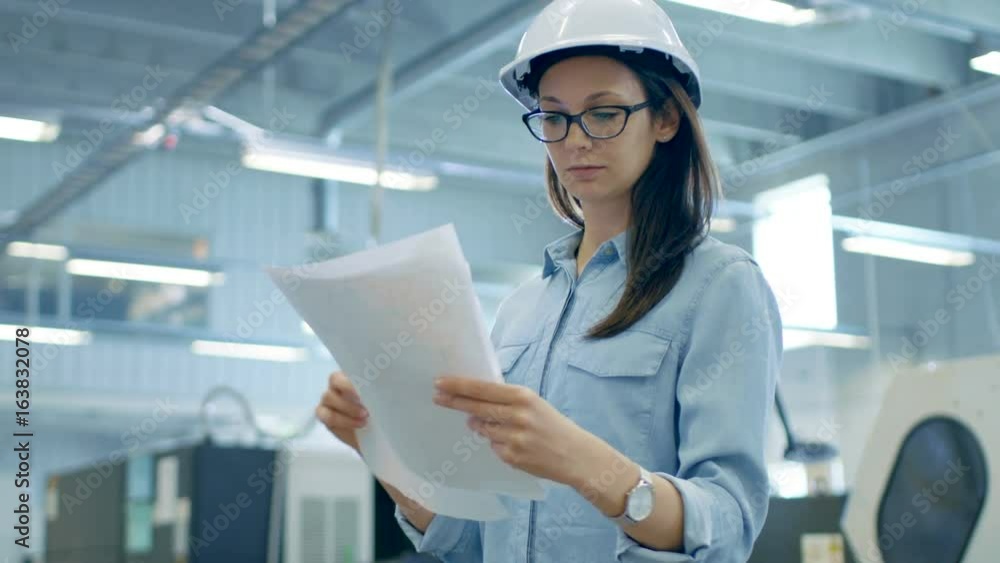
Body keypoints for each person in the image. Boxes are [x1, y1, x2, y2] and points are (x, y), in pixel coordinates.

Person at [316, 0, 782, 561]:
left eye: (604, 112)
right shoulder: (521, 309)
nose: (575, 140)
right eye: (555, 116)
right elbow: (469, 541)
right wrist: (381, 448)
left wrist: (587, 464)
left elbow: (728, 523)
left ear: (666, 118)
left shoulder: (720, 286)